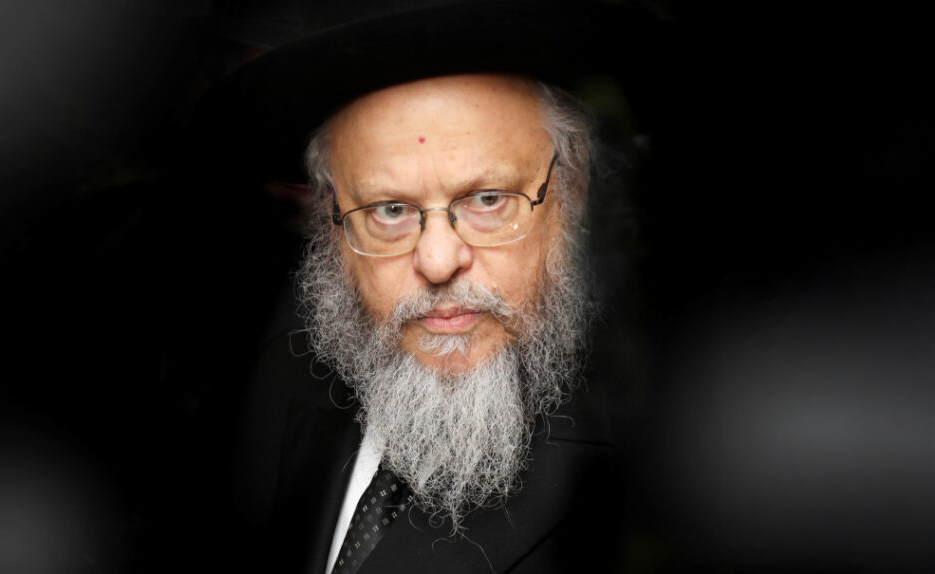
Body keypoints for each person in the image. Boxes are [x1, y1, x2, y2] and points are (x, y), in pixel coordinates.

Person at [181, 1, 662, 572]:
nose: (436, 262)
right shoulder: (277, 366)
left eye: (488, 200)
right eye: (389, 210)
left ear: (573, 198)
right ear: (333, 227)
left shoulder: (664, 469)